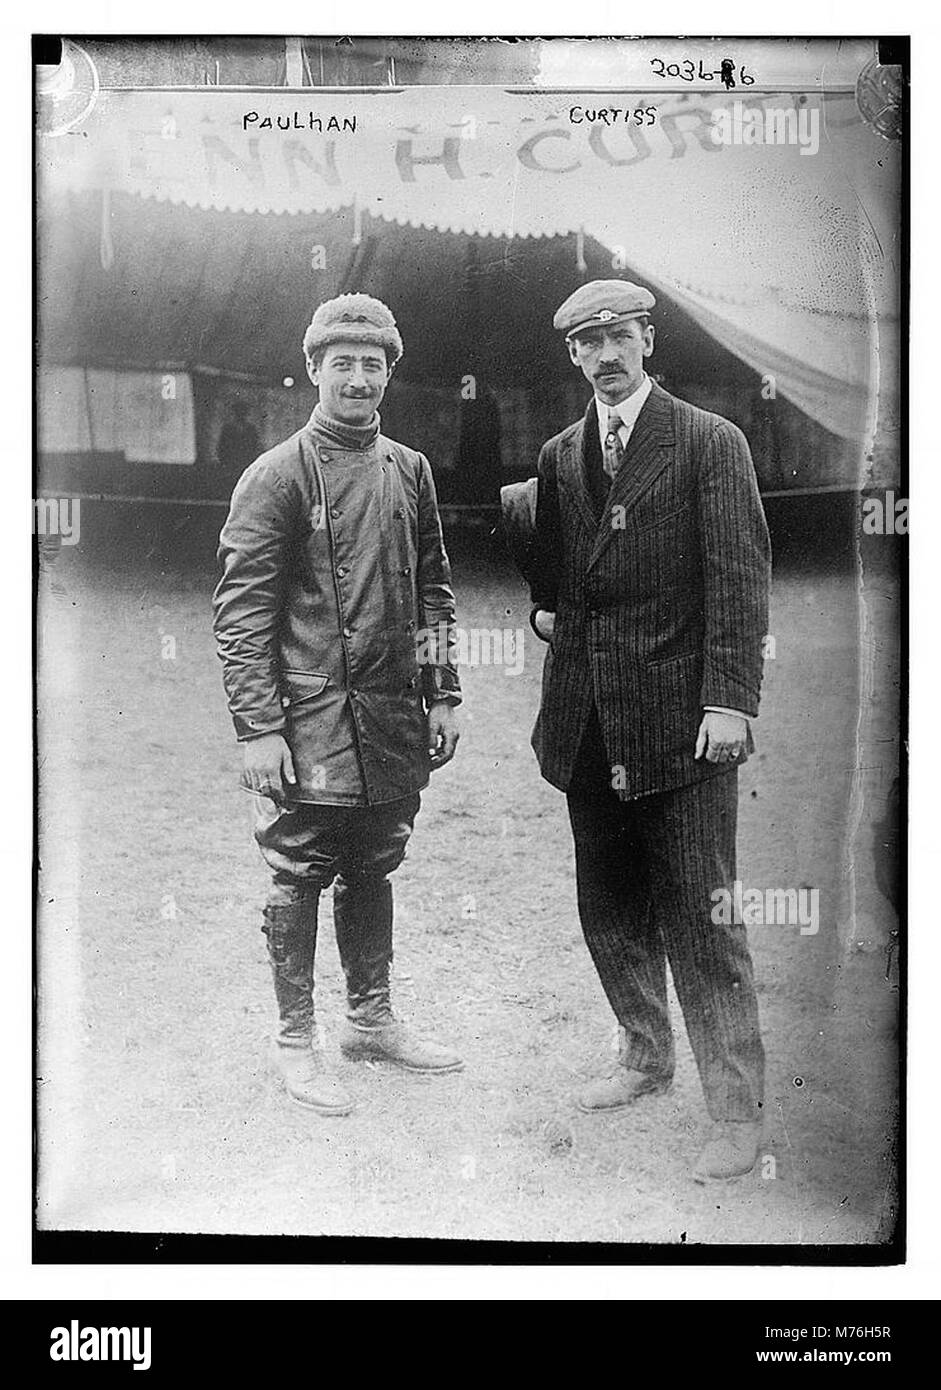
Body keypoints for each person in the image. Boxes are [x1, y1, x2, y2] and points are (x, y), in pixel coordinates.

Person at [524, 280, 771, 1180]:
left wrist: (729, 700)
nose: (604, 353)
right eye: (587, 341)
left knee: (703, 920)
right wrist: (548, 618)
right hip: (588, 721)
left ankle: (736, 1111)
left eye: (619, 334)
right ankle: (641, 1051)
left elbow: (738, 581)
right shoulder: (558, 455)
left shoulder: (710, 441)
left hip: (682, 724)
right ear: (573, 356)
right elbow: (558, 581)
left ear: (647, 341)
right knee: (610, 904)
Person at [212, 293, 464, 1116]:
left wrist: (443, 691)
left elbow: (433, 592)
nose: (358, 379)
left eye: (373, 364)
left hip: (392, 718)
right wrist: (259, 729)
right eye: (342, 363)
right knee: (298, 870)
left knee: (376, 862)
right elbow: (242, 612)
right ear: (315, 369)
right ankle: (296, 1042)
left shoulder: (410, 469)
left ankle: (370, 1019)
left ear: (389, 373)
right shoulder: (277, 473)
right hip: (311, 721)